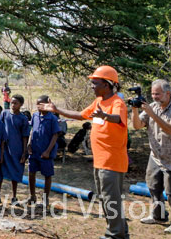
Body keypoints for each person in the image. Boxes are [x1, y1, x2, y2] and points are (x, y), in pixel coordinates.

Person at [39, 66, 129, 239]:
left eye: (95, 83)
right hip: (100, 161)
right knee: (106, 198)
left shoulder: (117, 103)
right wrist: (56, 110)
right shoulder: (99, 102)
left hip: (112, 161)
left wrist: (105, 116)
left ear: (107, 84)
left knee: (111, 199)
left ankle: (115, 235)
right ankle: (121, 232)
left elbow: (118, 118)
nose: (92, 86)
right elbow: (80, 115)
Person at [130, 79, 171, 234]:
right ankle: (158, 215)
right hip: (156, 155)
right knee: (154, 187)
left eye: (157, 94)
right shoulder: (152, 107)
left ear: (168, 93)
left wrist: (152, 114)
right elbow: (137, 125)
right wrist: (134, 109)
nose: (154, 97)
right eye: (153, 94)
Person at [27, 95, 60, 206]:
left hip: (45, 152)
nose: (38, 106)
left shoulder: (53, 118)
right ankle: (32, 196)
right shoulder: (35, 115)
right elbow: (32, 130)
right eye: (37, 104)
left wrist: (47, 151)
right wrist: (29, 143)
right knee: (31, 173)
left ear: (48, 104)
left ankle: (45, 199)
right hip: (34, 150)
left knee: (47, 175)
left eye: (41, 104)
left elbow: (55, 135)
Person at [1, 94, 30, 204]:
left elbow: (24, 136)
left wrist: (24, 152)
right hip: (5, 147)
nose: (13, 105)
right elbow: (0, 127)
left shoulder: (23, 118)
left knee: (16, 172)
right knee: (0, 170)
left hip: (17, 148)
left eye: (15, 103)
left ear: (21, 105)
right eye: (11, 103)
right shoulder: (4, 113)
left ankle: (14, 195)